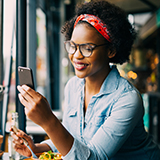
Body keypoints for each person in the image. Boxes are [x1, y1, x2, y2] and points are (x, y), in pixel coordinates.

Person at [12, 0, 160, 159]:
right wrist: (36, 148)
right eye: (73, 46)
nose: (76, 55)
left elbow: (93, 157)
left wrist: (48, 121)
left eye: (87, 48)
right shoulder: (73, 86)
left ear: (111, 50)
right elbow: (71, 140)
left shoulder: (127, 99)